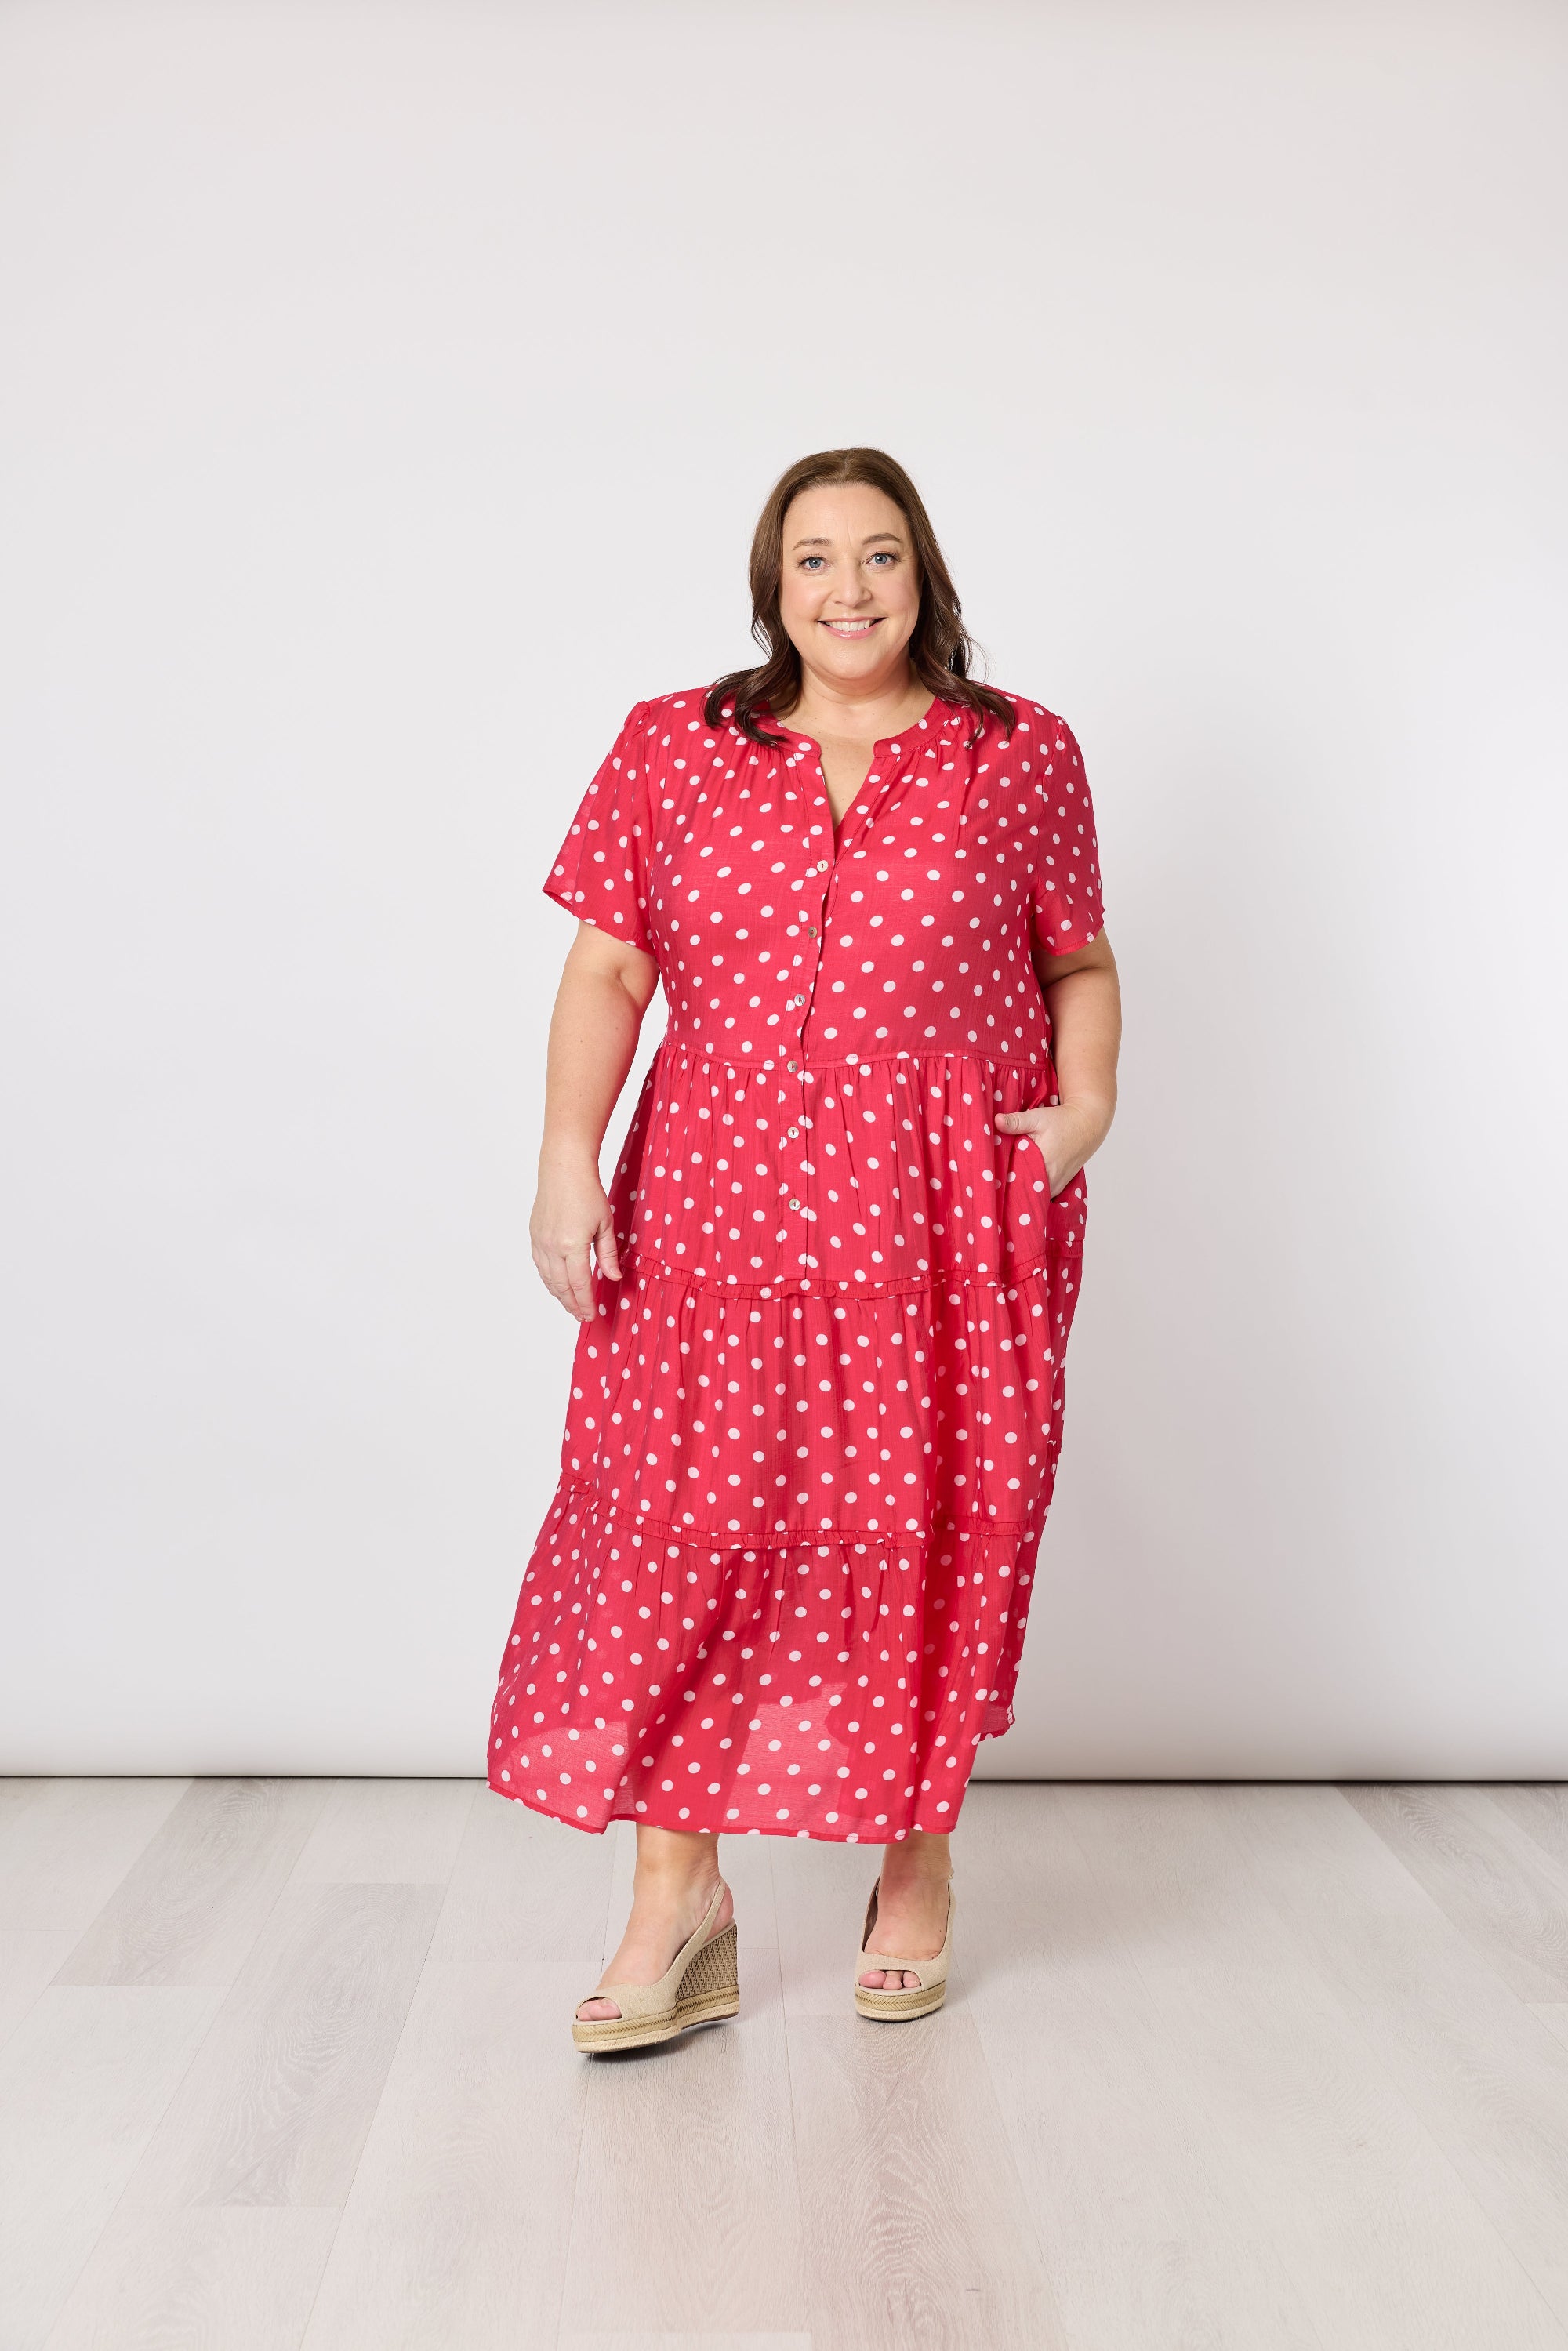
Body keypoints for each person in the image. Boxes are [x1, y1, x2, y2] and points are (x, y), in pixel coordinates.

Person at [486, 447, 1121, 2051]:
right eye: (817, 558)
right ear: (771, 582)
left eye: (881, 556)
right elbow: (607, 975)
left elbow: (1080, 963)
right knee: (679, 1536)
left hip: (940, 1225)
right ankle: (674, 1900)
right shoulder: (674, 747)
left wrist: (1084, 1110)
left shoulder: (1017, 755)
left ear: (925, 577)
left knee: (931, 1527)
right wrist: (568, 1161)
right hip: (713, 1212)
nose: (850, 590)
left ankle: (916, 1873)